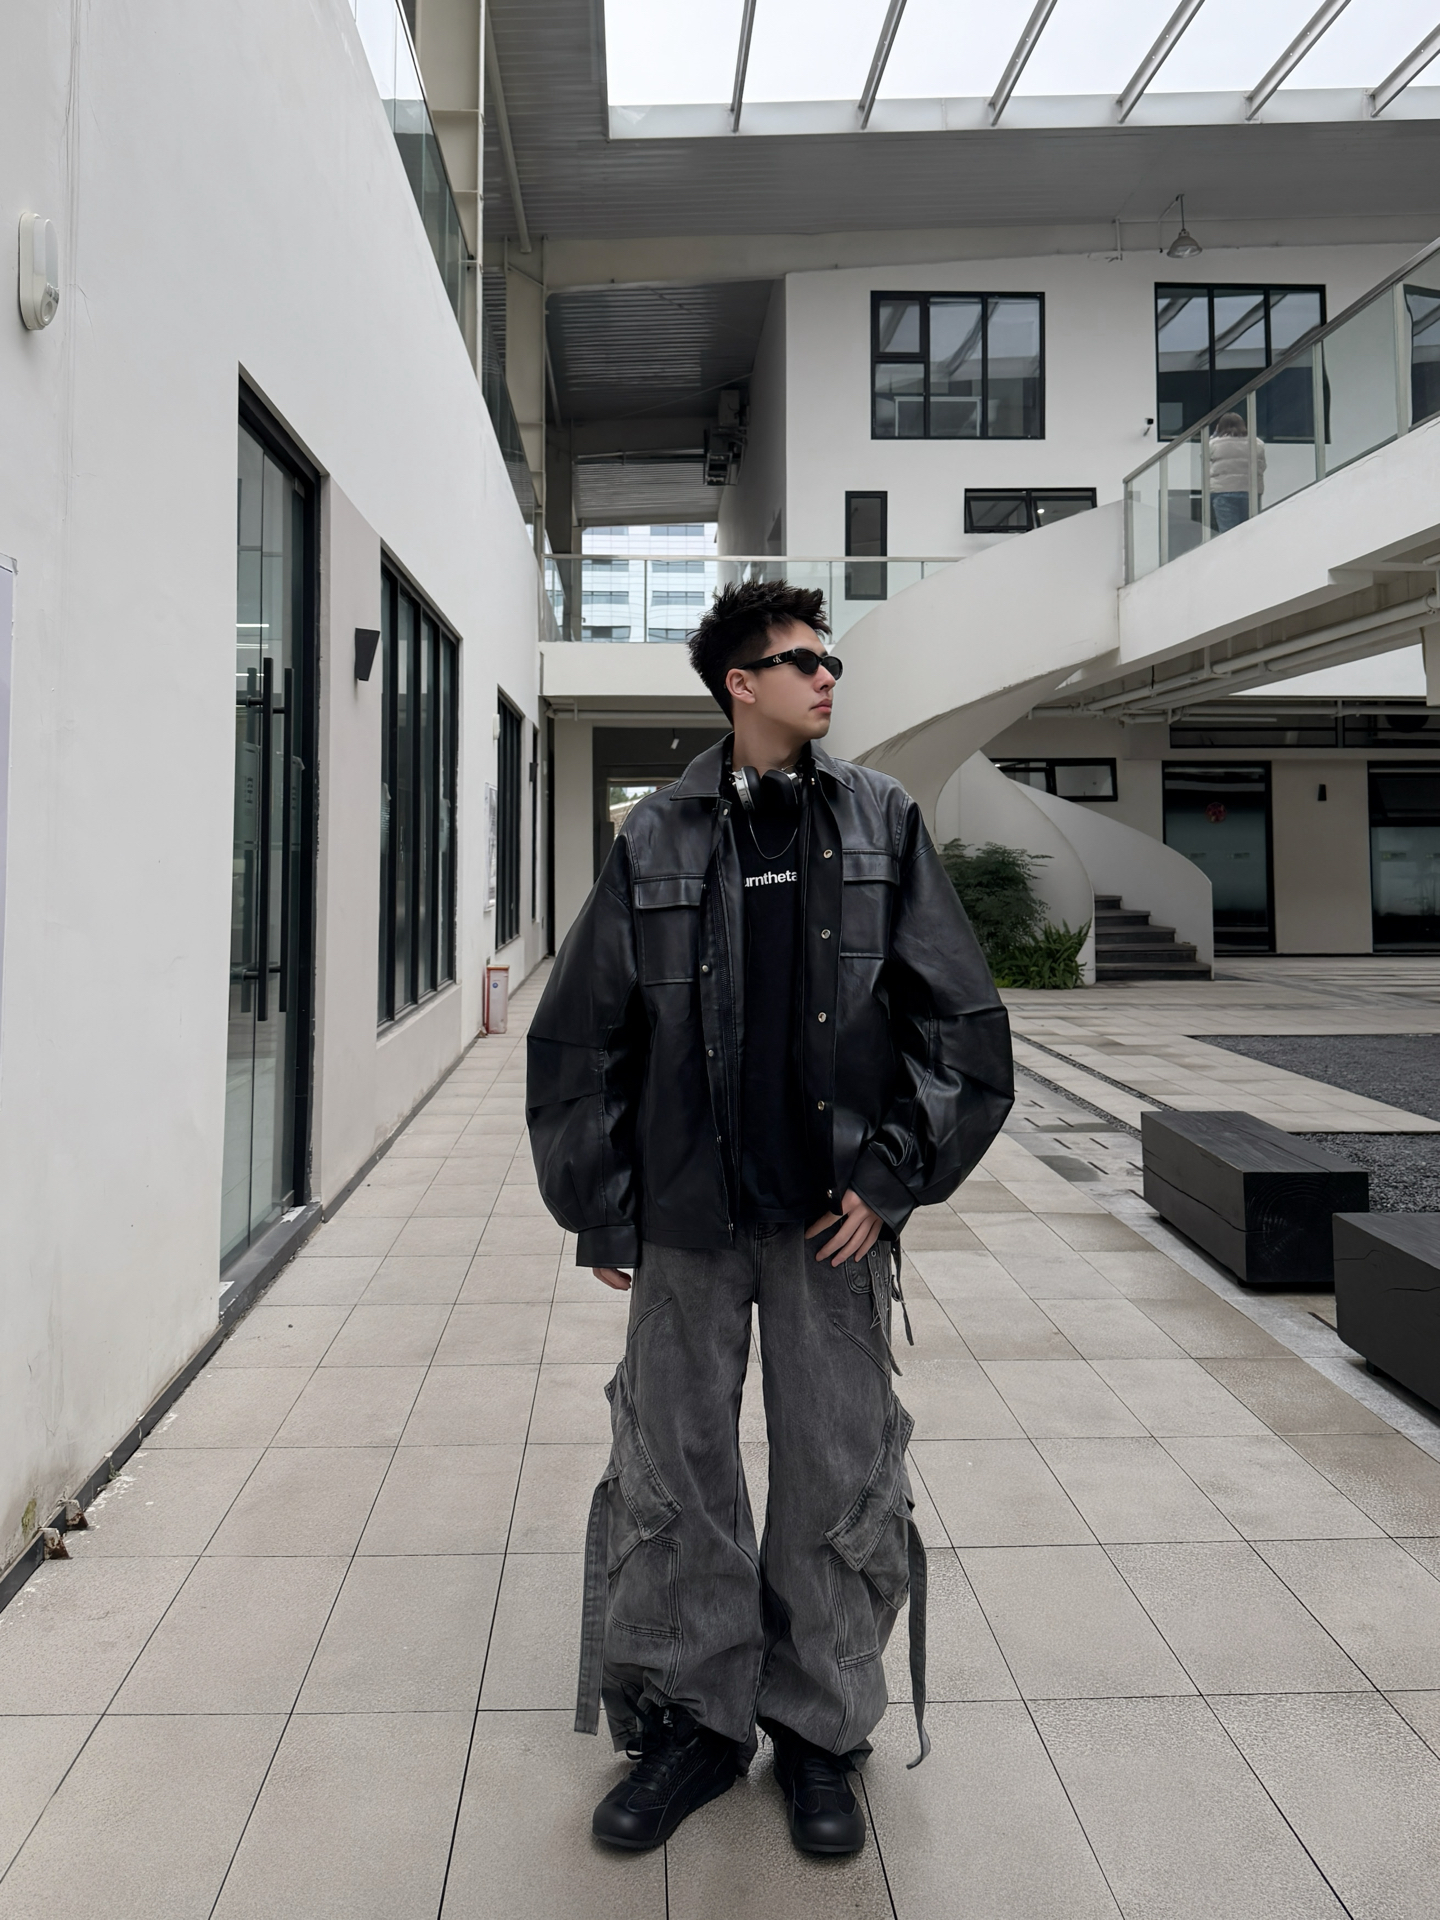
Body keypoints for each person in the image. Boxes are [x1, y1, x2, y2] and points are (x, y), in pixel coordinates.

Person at [525, 578, 1013, 1858]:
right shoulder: (655, 834)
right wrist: (604, 1208)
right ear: (740, 684)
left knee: (837, 1476)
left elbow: (961, 1026)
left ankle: (819, 1732)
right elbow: (583, 1032)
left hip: (827, 1226)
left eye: (829, 658)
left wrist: (892, 1176)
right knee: (674, 1474)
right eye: (802, 660)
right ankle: (694, 1721)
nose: (826, 675)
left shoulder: (881, 819)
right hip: (686, 1221)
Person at [1209, 409, 1265, 533]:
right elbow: (1262, 467)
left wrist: (1214, 435)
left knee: (1228, 533)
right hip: (1250, 491)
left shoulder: (1213, 443)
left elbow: (1203, 459)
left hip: (1223, 491)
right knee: (1250, 532)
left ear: (1220, 427)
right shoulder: (1257, 443)